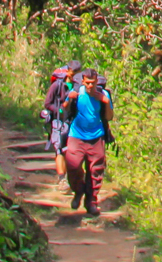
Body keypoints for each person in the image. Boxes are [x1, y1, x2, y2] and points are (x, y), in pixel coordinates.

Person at [61, 68, 113, 215]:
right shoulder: (78, 93)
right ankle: (79, 191)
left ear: (97, 81)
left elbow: (109, 117)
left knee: (95, 170)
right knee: (73, 165)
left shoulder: (104, 94)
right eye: (87, 83)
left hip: (96, 137)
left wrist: (106, 102)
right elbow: (64, 109)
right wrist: (69, 98)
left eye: (93, 83)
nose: (90, 86)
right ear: (83, 81)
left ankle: (91, 202)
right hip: (76, 136)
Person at [42, 60, 81, 182]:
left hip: (71, 122)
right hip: (57, 121)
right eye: (72, 71)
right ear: (68, 70)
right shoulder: (57, 85)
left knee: (68, 150)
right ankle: (62, 178)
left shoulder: (78, 87)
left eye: (76, 72)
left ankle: (71, 178)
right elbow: (47, 103)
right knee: (58, 149)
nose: (73, 74)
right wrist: (58, 110)